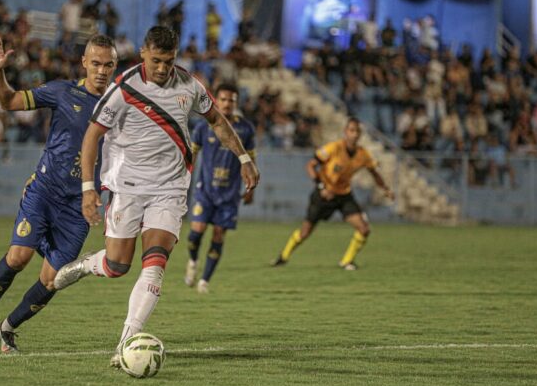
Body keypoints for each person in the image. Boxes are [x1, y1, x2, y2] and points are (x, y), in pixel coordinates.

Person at [52, 26, 260, 367]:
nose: (163, 68)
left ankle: (124, 343)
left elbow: (218, 121)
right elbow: (92, 136)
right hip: (128, 187)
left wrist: (244, 158)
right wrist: (89, 189)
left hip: (170, 188)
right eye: (157, 60)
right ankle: (88, 265)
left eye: (169, 61)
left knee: (156, 263)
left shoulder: (190, 85)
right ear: (144, 54)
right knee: (117, 265)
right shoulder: (123, 89)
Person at [0, 34, 118, 354]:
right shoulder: (61, 91)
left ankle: (7, 328)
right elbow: (9, 102)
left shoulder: (120, 104)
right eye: (95, 63)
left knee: (54, 279)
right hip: (44, 190)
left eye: (108, 65)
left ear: (114, 66)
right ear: (84, 62)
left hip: (79, 206)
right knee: (18, 256)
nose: (101, 70)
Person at [271, 118, 393, 270]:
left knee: (364, 229)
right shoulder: (333, 148)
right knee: (304, 232)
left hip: (344, 196)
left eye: (357, 131)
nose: (354, 134)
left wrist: (386, 189)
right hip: (323, 195)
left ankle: (347, 261)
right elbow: (311, 165)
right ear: (345, 132)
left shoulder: (363, 154)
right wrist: (321, 187)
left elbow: (374, 173)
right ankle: (283, 257)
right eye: (351, 130)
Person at [184, 83, 256, 294]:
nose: (227, 104)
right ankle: (193, 261)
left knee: (218, 235)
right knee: (195, 234)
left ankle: (205, 280)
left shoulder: (245, 129)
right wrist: (184, 181)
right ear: (216, 100)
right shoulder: (202, 127)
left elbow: (250, 160)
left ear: (236, 103)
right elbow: (193, 156)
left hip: (229, 193)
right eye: (223, 99)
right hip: (204, 191)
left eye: (231, 100)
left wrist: (251, 189)